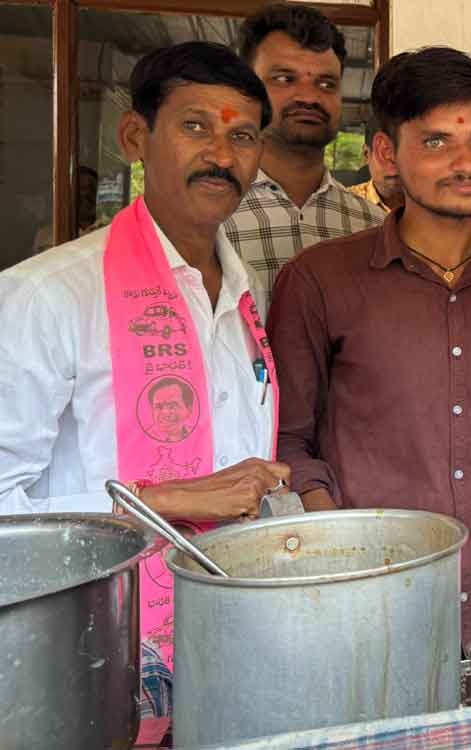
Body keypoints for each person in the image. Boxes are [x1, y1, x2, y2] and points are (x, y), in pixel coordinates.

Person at [0, 40, 289, 717]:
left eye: (242, 135)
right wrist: (164, 498)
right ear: (136, 136)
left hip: (229, 659)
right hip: (82, 672)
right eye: (196, 126)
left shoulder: (246, 298)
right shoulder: (46, 296)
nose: (222, 154)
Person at [268, 47, 471, 642]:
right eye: (436, 142)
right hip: (369, 600)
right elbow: (289, 442)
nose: (466, 163)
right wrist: (344, 551)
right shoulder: (321, 280)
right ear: (387, 153)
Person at [224, 3, 380, 293]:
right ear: (245, 91)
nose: (309, 97)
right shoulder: (211, 219)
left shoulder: (373, 227)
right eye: (284, 79)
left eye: (326, 83)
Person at [348, 116, 404, 213]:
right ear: (366, 154)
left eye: (404, 152)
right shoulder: (345, 204)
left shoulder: (435, 202)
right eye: (384, 152)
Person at [145, 377, 198, 443]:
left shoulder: (200, 437)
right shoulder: (143, 439)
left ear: (189, 410)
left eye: (172, 406)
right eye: (159, 407)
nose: (165, 412)